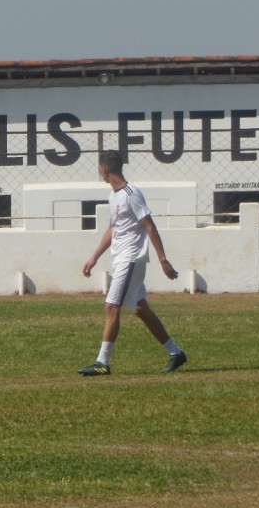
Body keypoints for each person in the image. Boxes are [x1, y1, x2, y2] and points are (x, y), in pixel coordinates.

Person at [79, 150, 187, 376]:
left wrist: (163, 260)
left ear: (104, 169)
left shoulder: (131, 193)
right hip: (121, 259)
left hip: (130, 259)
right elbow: (113, 228)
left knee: (111, 306)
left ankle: (102, 362)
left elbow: (149, 225)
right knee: (140, 308)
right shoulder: (113, 196)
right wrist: (94, 257)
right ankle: (175, 352)